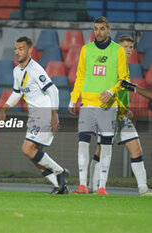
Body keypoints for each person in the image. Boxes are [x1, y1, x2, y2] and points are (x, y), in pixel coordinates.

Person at [0, 36, 69, 195]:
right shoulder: (17, 70)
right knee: (35, 155)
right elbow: (17, 93)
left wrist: (54, 114)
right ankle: (59, 186)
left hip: (44, 113)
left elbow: (53, 90)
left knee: (27, 149)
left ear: (30, 50)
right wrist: (4, 109)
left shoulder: (35, 69)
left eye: (21, 49)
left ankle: (60, 172)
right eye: (16, 49)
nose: (17, 52)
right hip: (34, 115)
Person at [68, 16, 129, 195]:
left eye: (102, 28)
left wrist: (111, 91)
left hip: (108, 105)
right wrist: (74, 98)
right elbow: (80, 76)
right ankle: (82, 185)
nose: (98, 32)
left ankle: (102, 186)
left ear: (109, 30)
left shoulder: (117, 50)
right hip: (87, 103)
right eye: (96, 28)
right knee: (83, 143)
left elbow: (123, 78)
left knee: (106, 144)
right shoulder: (86, 49)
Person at [88, 35, 152, 196]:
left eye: (131, 47)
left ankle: (143, 188)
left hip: (121, 117)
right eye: (125, 47)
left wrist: (124, 109)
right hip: (107, 115)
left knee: (136, 149)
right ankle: (92, 186)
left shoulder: (125, 67)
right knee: (100, 151)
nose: (129, 50)